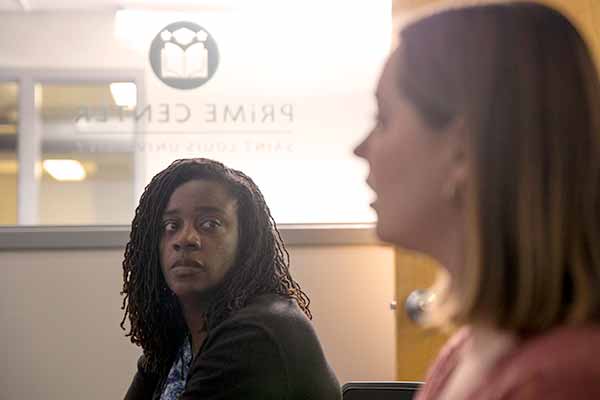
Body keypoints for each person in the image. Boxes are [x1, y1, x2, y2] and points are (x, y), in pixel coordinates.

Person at [354, 2, 600, 399]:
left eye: (383, 119)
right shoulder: (468, 347)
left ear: (462, 151)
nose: (360, 149)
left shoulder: (560, 381)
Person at [120, 158, 340, 400]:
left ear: (245, 241)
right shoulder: (174, 342)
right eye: (171, 225)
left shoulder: (255, 335)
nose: (186, 239)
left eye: (209, 224)